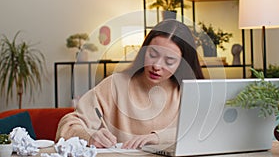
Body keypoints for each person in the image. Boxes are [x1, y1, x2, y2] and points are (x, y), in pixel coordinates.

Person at [55, 19, 204, 149]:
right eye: (152, 54)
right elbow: (68, 124)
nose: (157, 66)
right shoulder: (116, 85)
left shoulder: (188, 91)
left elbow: (204, 131)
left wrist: (158, 138)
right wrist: (90, 136)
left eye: (169, 61)